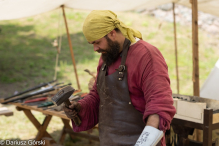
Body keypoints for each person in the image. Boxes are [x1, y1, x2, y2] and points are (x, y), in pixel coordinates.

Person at [63, 10, 176, 146]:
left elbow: (160, 104)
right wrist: (80, 107)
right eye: (91, 43)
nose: (95, 48)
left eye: (97, 42)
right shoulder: (107, 55)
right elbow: (98, 96)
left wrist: (143, 144)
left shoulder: (146, 56)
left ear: (112, 33)